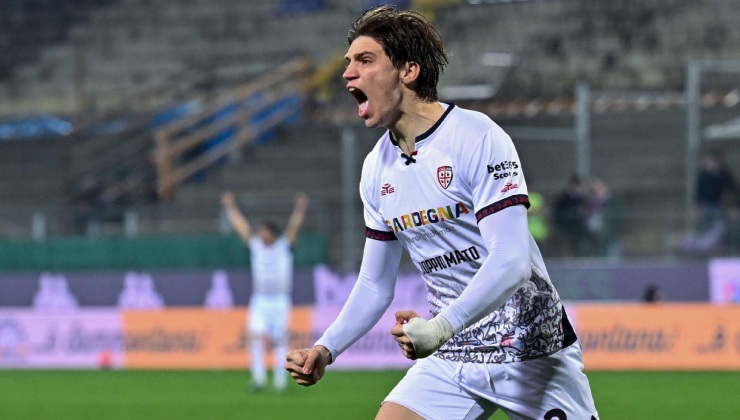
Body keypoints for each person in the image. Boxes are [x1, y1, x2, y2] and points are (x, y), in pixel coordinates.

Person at [285, 6, 598, 419]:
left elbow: (512, 260)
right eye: (348, 62)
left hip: (530, 350)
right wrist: (326, 348)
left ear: (408, 71)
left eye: (365, 60)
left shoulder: (476, 137)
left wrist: (439, 327)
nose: (348, 73)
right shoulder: (376, 169)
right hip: (453, 354)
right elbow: (375, 284)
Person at [222, 191, 309, 392]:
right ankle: (259, 379)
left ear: (271, 233)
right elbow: (242, 227)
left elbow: (294, 227)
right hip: (260, 300)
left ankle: (280, 381)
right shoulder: (256, 246)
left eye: (263, 231)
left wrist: (300, 209)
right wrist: (230, 207)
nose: (260, 234)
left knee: (280, 341)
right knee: (255, 337)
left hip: (280, 300)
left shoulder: (283, 246)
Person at [553, 175, 590, 257]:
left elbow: (587, 209)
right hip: (566, 226)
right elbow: (558, 211)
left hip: (579, 225)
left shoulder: (582, 197)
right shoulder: (563, 198)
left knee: (578, 243)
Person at [585, 178, 621, 258]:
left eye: (599, 190)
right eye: (595, 191)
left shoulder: (611, 200)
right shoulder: (592, 202)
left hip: (609, 231)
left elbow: (616, 215)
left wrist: (605, 213)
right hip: (594, 232)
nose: (598, 193)